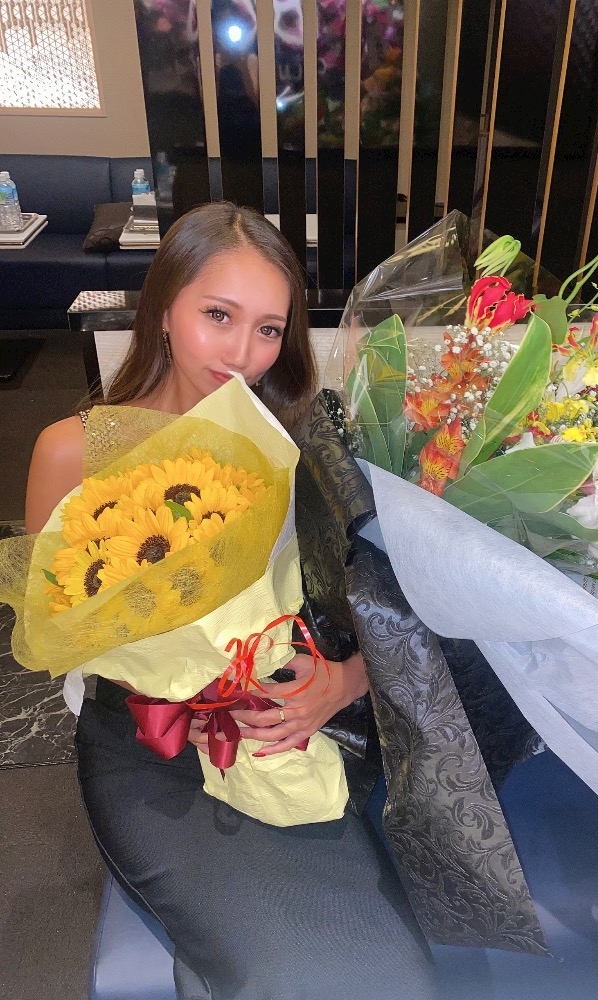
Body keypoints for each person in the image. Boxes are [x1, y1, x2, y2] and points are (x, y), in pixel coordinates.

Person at [25, 202, 437, 1000]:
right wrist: (171, 676)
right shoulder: (72, 451)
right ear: (164, 308)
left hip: (281, 730)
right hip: (150, 749)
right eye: (219, 315)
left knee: (387, 967)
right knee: (276, 969)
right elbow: (54, 635)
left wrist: (343, 681)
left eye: (269, 329)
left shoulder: (297, 439)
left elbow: (383, 598)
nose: (244, 352)